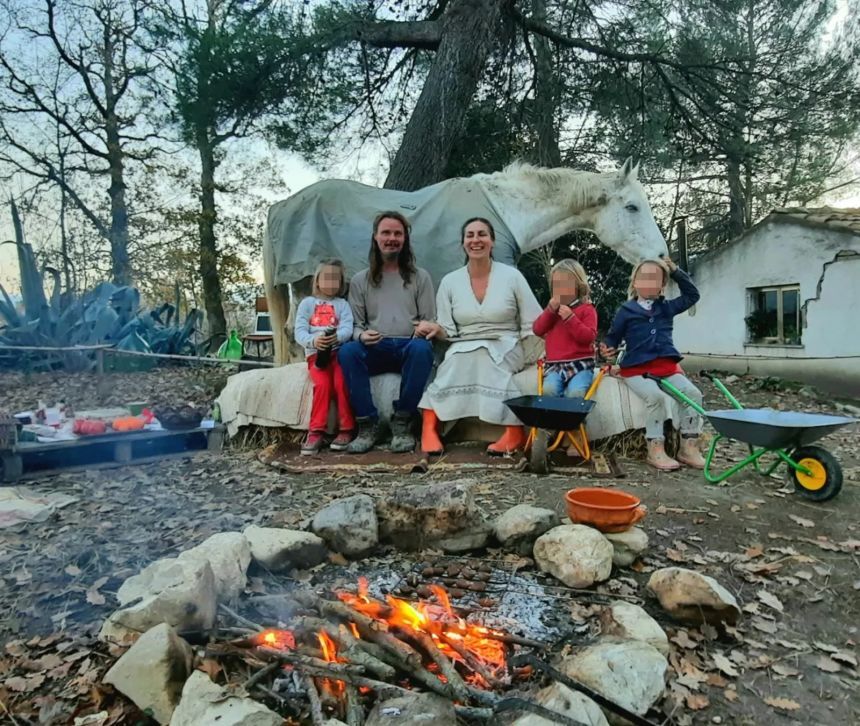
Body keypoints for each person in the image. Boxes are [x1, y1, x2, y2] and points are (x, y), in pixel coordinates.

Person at [419, 217, 543, 456]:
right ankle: (429, 425)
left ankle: (514, 430)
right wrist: (436, 329)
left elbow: (533, 320)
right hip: (462, 343)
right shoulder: (449, 281)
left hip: (506, 342)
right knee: (454, 361)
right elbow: (447, 328)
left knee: (484, 354)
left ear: (492, 241)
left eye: (482, 234)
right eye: (470, 235)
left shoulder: (512, 276)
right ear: (463, 243)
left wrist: (539, 352)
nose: (476, 240)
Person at [339, 211, 436, 454]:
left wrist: (423, 329)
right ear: (375, 237)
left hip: (408, 346)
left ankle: (402, 422)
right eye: (386, 233)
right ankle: (367, 424)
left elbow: (429, 319)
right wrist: (361, 335)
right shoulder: (361, 280)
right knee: (349, 350)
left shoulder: (420, 277)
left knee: (423, 349)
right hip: (376, 347)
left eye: (397, 233)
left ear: (405, 239)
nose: (392, 238)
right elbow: (354, 324)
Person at [599, 257, 706, 470]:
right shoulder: (626, 311)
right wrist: (606, 348)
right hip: (636, 369)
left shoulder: (666, 308)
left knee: (693, 395)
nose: (649, 282)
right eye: (644, 278)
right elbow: (613, 337)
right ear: (635, 282)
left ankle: (689, 447)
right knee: (655, 397)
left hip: (665, 367)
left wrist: (676, 271)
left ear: (662, 285)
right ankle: (655, 449)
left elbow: (693, 295)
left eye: (654, 279)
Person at [293, 259, 356, 455]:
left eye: (335, 279)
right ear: (317, 280)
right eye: (326, 278)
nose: (330, 282)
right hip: (317, 355)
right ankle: (316, 431)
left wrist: (337, 337)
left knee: (341, 383)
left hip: (338, 353)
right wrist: (314, 341)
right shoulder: (307, 304)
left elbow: (348, 327)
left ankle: (346, 429)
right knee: (322, 385)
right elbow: (300, 331)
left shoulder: (342, 305)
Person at [533, 259, 598, 400]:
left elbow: (588, 337)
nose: (561, 289)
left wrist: (570, 319)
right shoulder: (553, 312)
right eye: (557, 285)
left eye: (566, 285)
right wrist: (550, 310)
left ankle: (572, 421)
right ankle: (555, 421)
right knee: (549, 390)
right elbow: (537, 329)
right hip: (555, 366)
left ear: (578, 286)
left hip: (581, 364)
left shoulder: (587, 309)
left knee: (575, 393)